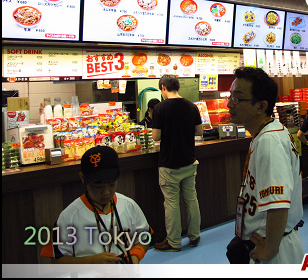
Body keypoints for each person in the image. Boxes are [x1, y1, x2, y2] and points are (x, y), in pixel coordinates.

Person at [227, 67, 304, 264]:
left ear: (261, 106)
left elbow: (278, 202)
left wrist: (270, 250)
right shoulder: (266, 133)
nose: (229, 104)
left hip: (274, 249)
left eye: (237, 99)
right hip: (268, 241)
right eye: (230, 96)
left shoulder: (269, 141)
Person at [40, 146, 152, 264]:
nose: (106, 192)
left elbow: (144, 237)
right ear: (83, 178)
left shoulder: (128, 205)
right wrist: (92, 261)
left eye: (111, 184)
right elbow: (56, 260)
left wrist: (135, 255)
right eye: (98, 185)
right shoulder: (69, 216)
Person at [151, 75, 203, 252]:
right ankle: (195, 236)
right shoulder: (191, 106)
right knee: (191, 199)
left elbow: (156, 137)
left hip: (169, 164)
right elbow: (200, 131)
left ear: (163, 87)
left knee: (172, 203)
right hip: (189, 161)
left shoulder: (159, 108)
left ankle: (173, 242)